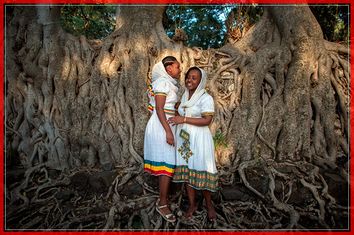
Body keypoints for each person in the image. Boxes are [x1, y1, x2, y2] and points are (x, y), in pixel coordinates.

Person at [168, 67, 218, 222]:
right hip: (185, 140)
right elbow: (181, 114)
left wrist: (182, 119)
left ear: (201, 81)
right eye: (188, 77)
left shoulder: (205, 98)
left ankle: (209, 205)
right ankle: (192, 204)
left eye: (194, 78)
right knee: (188, 173)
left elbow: (207, 120)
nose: (189, 80)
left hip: (200, 140)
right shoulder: (184, 97)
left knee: (201, 170)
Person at [144, 56, 181, 223]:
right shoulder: (162, 83)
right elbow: (159, 109)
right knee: (166, 164)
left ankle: (164, 199)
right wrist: (168, 132)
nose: (180, 70)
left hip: (168, 124)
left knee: (168, 164)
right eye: (177, 67)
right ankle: (162, 203)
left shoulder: (170, 84)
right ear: (168, 69)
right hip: (161, 126)